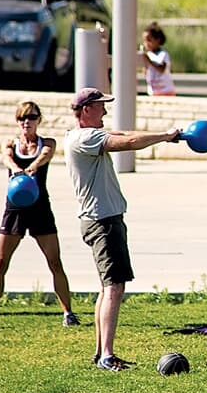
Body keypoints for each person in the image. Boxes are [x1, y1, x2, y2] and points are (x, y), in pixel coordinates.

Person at [64, 87, 184, 371]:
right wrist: (165, 136)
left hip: (104, 219)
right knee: (114, 287)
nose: (105, 111)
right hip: (102, 222)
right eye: (101, 106)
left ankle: (100, 352)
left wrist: (164, 135)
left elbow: (121, 134)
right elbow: (128, 141)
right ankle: (107, 355)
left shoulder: (80, 135)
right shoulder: (84, 138)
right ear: (86, 110)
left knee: (107, 288)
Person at [0, 101, 80, 331]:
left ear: (38, 120)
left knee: (54, 261)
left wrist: (32, 167)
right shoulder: (10, 144)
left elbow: (45, 155)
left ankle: (68, 313)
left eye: (32, 117)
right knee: (0, 262)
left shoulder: (47, 143)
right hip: (14, 209)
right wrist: (15, 168)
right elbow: (5, 157)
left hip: (39, 208)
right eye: (22, 118)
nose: (27, 122)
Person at [141, 23, 176, 96]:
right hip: (153, 92)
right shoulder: (148, 55)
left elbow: (162, 69)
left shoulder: (163, 54)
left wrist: (149, 61)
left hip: (166, 91)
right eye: (145, 41)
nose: (146, 43)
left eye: (149, 40)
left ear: (158, 40)